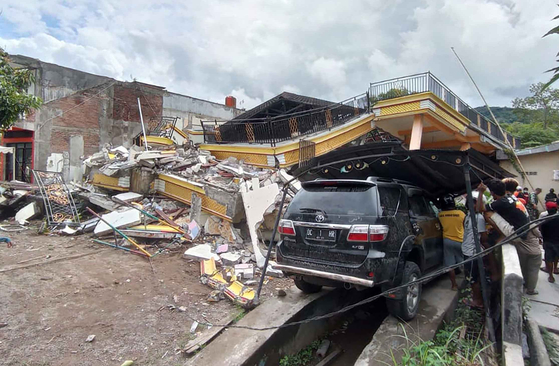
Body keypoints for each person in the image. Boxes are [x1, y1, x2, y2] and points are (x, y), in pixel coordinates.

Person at [476, 179, 542, 295]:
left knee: (488, 213)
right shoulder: (510, 198)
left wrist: (481, 192)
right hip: (523, 232)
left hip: (516, 234)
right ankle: (502, 235)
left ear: (493, 193)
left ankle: (503, 235)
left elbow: (479, 209)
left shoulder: (501, 202)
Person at [462, 192, 488, 308]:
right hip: (467, 250)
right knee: (471, 277)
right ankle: (476, 297)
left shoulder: (478, 218)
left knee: (473, 279)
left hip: (472, 252)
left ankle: (478, 301)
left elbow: (483, 237)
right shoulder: (468, 216)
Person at [438, 195, 466, 291]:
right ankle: (468, 282)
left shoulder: (440, 215)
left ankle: (454, 285)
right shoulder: (461, 213)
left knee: (450, 265)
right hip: (460, 240)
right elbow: (465, 226)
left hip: (447, 241)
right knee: (465, 262)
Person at [541, 201, 559, 283]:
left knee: (548, 259)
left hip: (548, 241)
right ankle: (555, 268)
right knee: (556, 256)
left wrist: (542, 239)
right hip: (557, 241)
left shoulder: (545, 219)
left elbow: (542, 231)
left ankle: (551, 276)